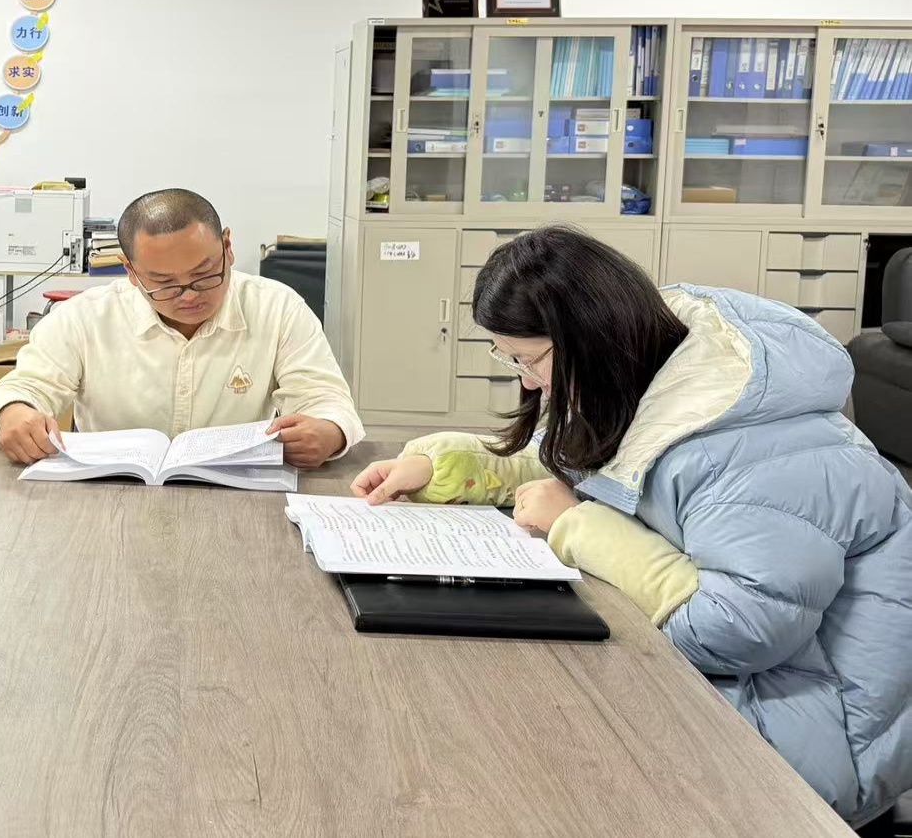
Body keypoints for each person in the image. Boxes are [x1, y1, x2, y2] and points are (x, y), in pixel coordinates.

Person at [352, 226, 912, 827]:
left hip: (803, 732)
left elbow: (740, 631)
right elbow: (581, 464)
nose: (526, 381)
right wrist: (440, 468)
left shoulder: (752, 452)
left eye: (527, 359)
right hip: (714, 678)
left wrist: (578, 526)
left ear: (587, 340)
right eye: (508, 358)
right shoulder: (648, 374)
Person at [0, 188, 363, 468]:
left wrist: (328, 432)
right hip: (111, 496)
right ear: (130, 271)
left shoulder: (277, 308)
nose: (189, 296)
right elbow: (20, 390)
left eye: (205, 274)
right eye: (164, 283)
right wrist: (14, 414)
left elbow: (326, 400)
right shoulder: (84, 317)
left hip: (238, 494)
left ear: (228, 247)